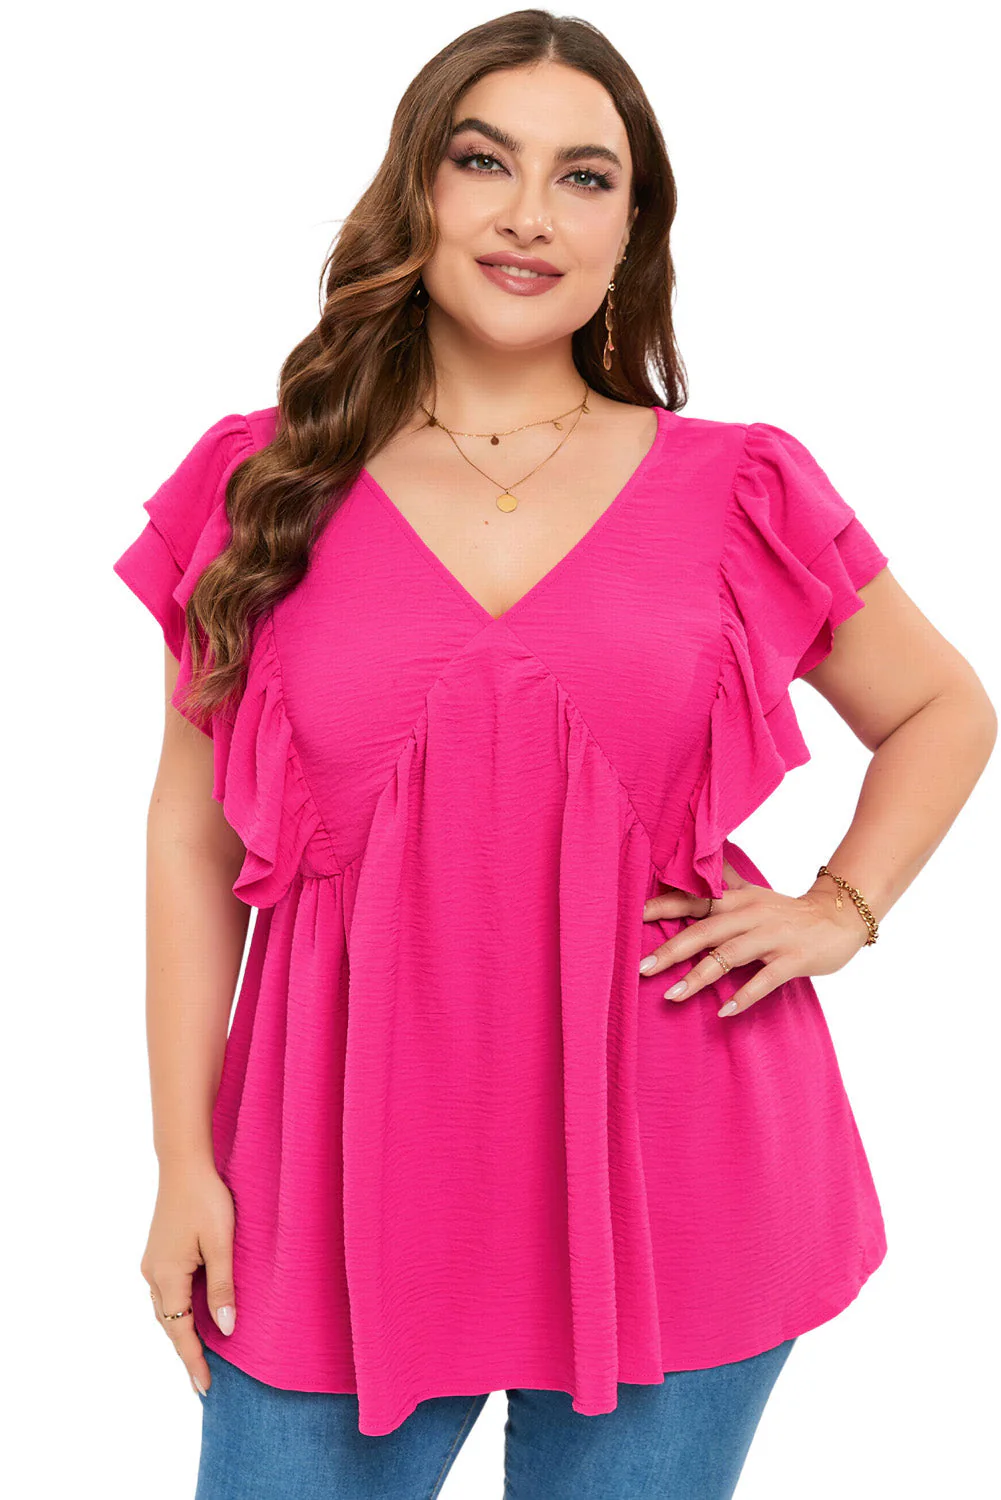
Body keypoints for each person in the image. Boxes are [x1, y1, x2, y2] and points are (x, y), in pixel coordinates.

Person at [111, 12, 996, 1500]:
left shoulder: (740, 484)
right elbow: (191, 842)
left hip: (680, 1167)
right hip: (330, 1181)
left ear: (631, 230)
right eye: (484, 161)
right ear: (416, 189)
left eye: (585, 177)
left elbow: (943, 709)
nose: (530, 213)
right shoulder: (259, 482)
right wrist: (181, 1163)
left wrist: (840, 909)